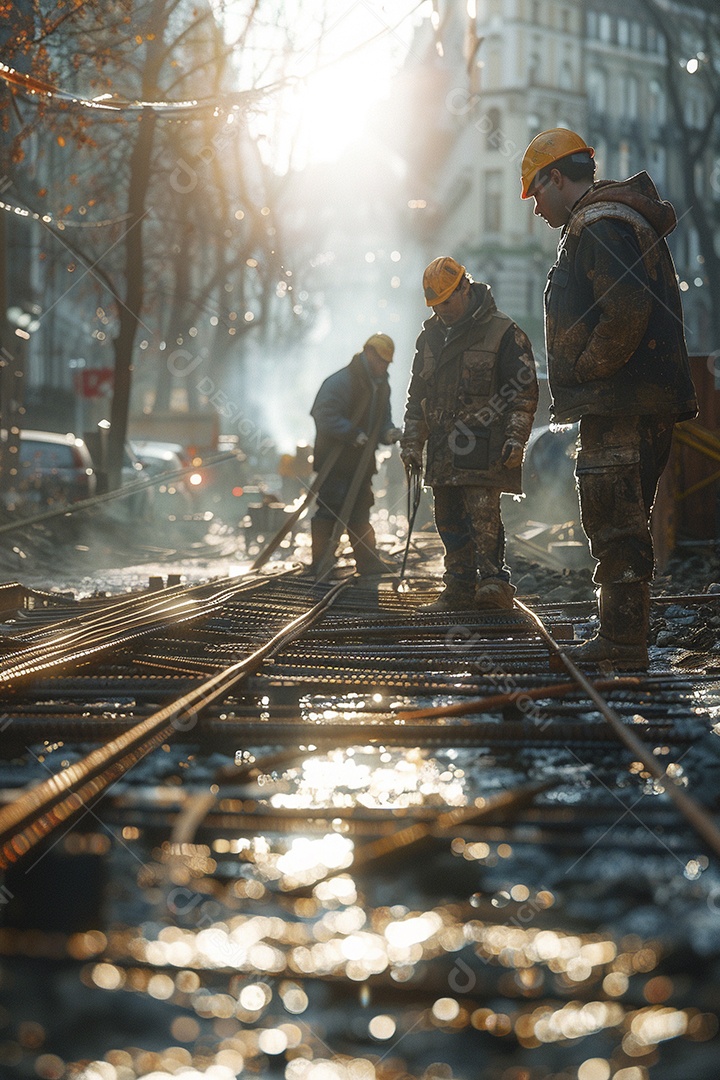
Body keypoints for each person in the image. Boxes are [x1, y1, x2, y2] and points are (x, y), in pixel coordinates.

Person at [521, 127, 698, 669]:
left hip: (619, 401)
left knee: (614, 519)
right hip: (636, 396)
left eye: (537, 193)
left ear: (556, 177)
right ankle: (625, 637)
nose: (537, 210)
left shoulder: (598, 227)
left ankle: (622, 643)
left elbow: (623, 313)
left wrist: (583, 373)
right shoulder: (613, 222)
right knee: (624, 517)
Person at [400, 257, 538, 611]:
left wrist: (515, 438)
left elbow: (522, 390)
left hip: (484, 446)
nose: (442, 310)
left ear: (465, 287)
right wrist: (412, 443)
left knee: (483, 516)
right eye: (435, 304)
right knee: (447, 517)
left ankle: (493, 583)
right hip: (444, 448)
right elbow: (418, 396)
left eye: (447, 300)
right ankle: (458, 586)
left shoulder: (503, 332)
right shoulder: (429, 337)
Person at [310, 333, 402, 576]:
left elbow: (383, 420)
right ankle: (320, 561)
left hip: (362, 461)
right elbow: (322, 412)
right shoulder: (341, 381)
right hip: (335, 460)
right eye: (380, 360)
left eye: (386, 362)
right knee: (330, 507)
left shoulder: (382, 386)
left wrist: (388, 433)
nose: (383, 366)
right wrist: (351, 433)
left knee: (361, 508)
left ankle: (367, 562)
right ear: (368, 353)